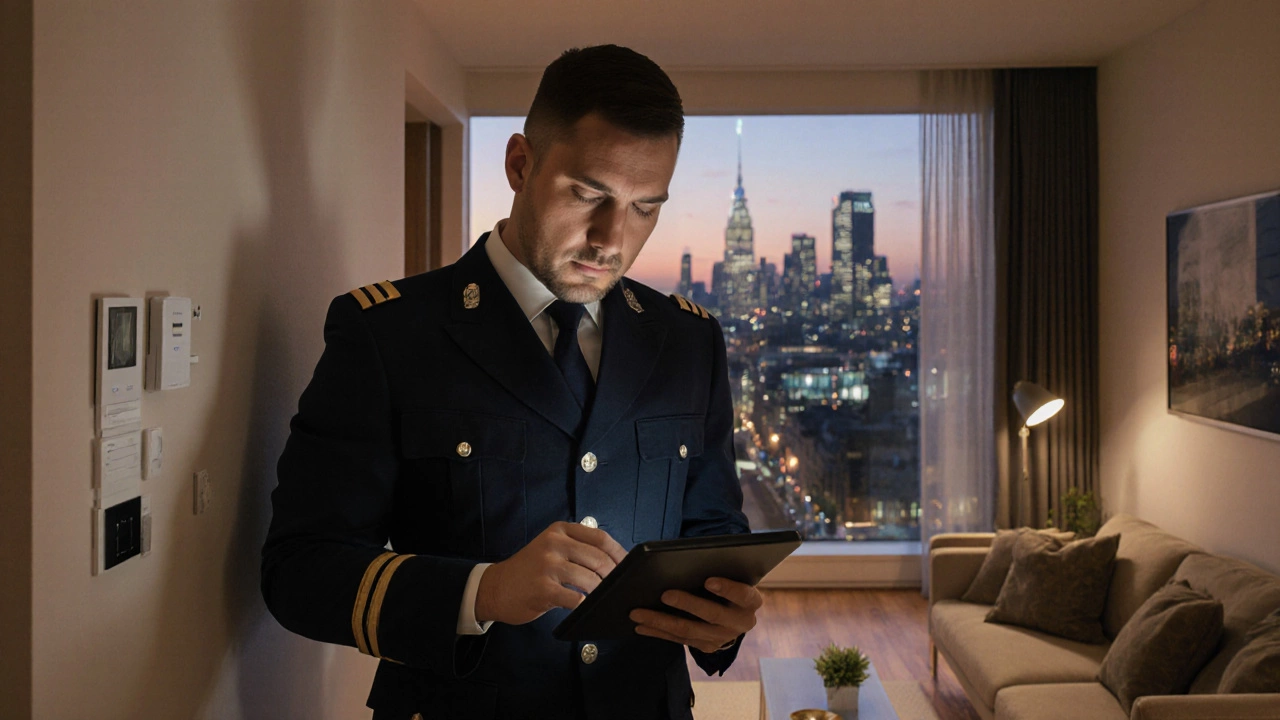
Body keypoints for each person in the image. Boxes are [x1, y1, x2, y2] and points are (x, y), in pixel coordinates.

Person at [261, 44, 759, 720]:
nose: (612, 237)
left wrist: (721, 616)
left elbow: (711, 527)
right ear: (520, 165)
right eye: (589, 195)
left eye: (646, 207)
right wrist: (483, 591)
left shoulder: (687, 341)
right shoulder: (390, 335)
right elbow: (299, 571)